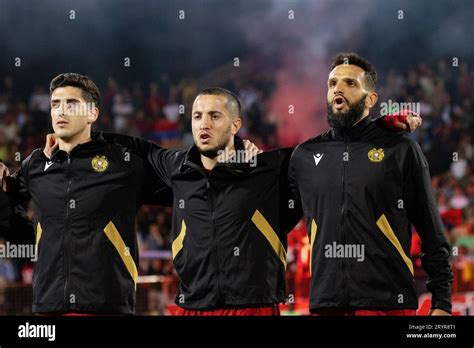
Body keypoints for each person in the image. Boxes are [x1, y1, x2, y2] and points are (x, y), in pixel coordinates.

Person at [45, 86, 421, 315]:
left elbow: (332, 144)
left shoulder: (269, 167)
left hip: (254, 307)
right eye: (196, 116)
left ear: (236, 125)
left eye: (214, 116)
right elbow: (132, 146)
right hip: (192, 307)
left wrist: (382, 127)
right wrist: (73, 141)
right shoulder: (176, 166)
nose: (203, 123)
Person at [289, 52, 453, 316]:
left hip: (388, 304)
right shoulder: (303, 156)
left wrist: (442, 302)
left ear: (371, 99)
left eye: (350, 83)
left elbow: (431, 230)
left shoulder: (400, 150)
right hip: (327, 305)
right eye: (332, 84)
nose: (337, 89)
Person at [0, 73, 172, 315]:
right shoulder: (36, 164)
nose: (61, 111)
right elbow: (14, 226)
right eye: (55, 104)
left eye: (71, 104)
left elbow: (186, 187)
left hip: (106, 307)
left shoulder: (123, 162)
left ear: (93, 113)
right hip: (48, 308)